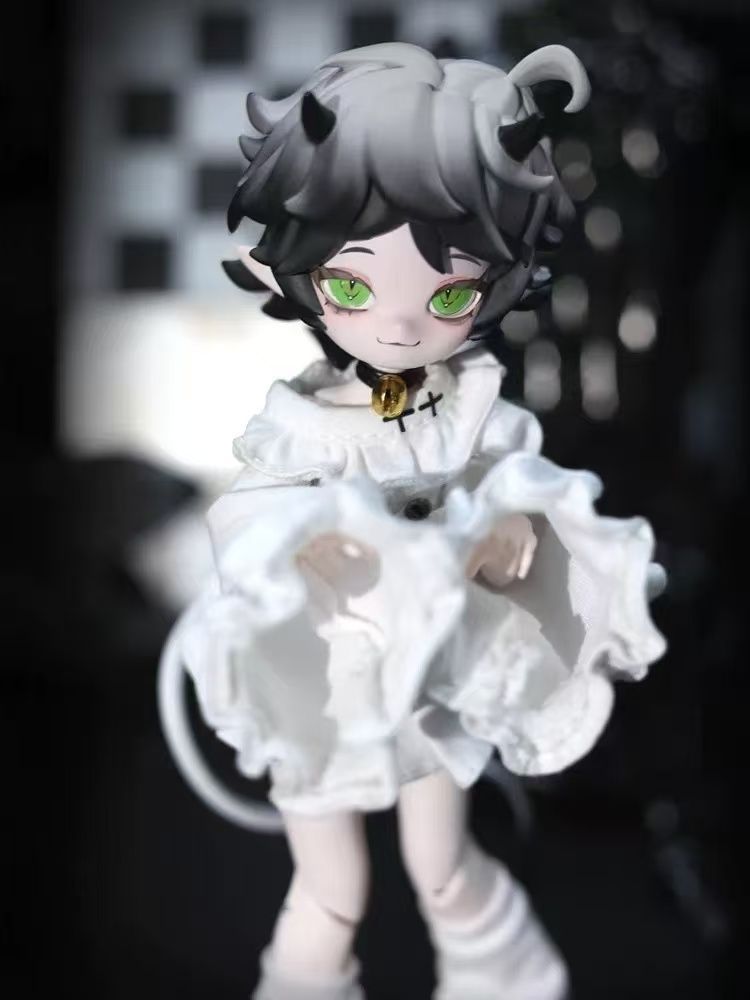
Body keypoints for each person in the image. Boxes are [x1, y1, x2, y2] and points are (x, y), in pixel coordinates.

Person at [159, 42, 666, 1000]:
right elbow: (246, 523)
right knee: (331, 889)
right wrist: (302, 547)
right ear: (293, 269)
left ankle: (502, 980)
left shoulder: (466, 405)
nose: (399, 327)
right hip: (321, 675)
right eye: (352, 287)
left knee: (442, 867)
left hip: (434, 673)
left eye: (450, 294)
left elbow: (523, 481)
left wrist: (511, 526)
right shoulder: (303, 424)